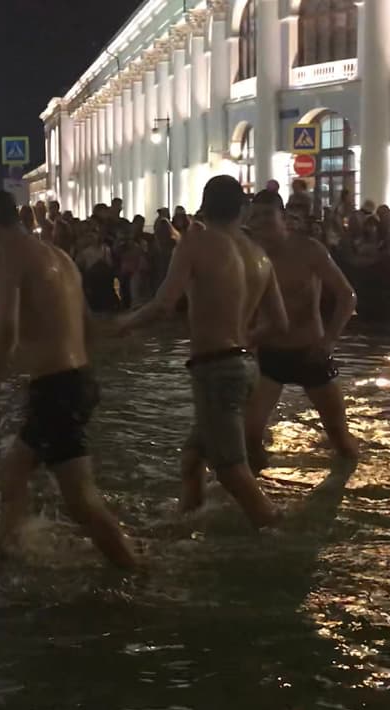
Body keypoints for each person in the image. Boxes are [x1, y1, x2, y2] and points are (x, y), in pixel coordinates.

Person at [0, 190, 138, 570]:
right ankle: (4, 545)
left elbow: (5, 326)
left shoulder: (9, 251)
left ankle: (134, 569)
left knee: (79, 498)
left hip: (57, 386)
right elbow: (88, 326)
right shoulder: (59, 256)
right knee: (14, 470)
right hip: (76, 379)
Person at [117, 175, 290, 527]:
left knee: (230, 470)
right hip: (244, 366)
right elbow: (279, 322)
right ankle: (187, 520)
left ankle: (276, 529)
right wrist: (241, 341)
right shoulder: (259, 255)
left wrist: (123, 325)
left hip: (216, 369)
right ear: (241, 210)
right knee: (193, 457)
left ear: (204, 205)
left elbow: (164, 304)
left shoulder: (196, 244)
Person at [244, 190, 359, 472]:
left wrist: (330, 340)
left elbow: (347, 296)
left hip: (311, 353)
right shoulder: (251, 256)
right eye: (254, 217)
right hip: (271, 355)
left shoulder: (309, 250)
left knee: (340, 439)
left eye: (266, 216)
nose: (260, 223)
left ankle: (347, 485)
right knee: (249, 434)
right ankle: (260, 494)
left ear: (282, 217)